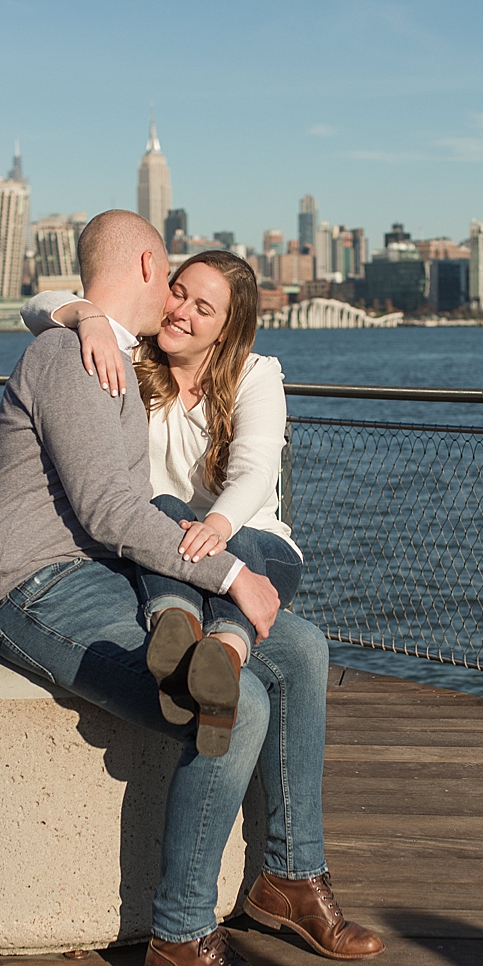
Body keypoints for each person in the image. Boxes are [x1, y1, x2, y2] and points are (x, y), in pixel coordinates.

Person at [0, 210, 382, 966]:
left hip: (100, 571)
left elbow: (186, 492)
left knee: (297, 649)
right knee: (234, 703)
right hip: (35, 587)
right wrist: (231, 575)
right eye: (176, 284)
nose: (181, 306)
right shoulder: (73, 354)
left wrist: (85, 312)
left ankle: (289, 879)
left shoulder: (109, 350)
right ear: (152, 263)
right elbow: (111, 509)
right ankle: (182, 939)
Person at [21, 251, 301, 759]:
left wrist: (215, 526)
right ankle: (178, 633)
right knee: (167, 506)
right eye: (178, 292)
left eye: (203, 308)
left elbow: (256, 471)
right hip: (172, 539)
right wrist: (90, 319)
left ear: (226, 329)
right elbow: (37, 307)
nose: (181, 312)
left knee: (231, 536)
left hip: (255, 546)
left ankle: (224, 655)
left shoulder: (255, 376)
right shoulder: (130, 361)